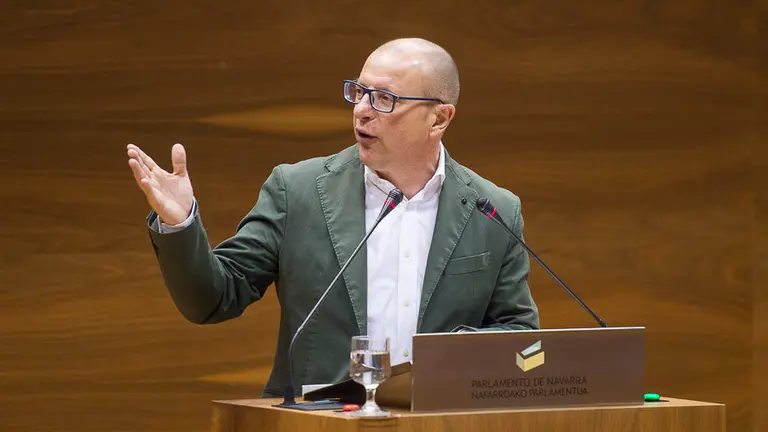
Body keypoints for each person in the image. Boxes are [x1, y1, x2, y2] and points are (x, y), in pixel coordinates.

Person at [127, 37, 538, 398]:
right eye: (359, 92)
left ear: (439, 118)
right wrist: (180, 224)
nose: (362, 110)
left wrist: (442, 360)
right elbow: (212, 298)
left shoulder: (494, 209)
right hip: (317, 419)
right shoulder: (297, 190)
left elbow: (519, 335)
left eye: (384, 99)